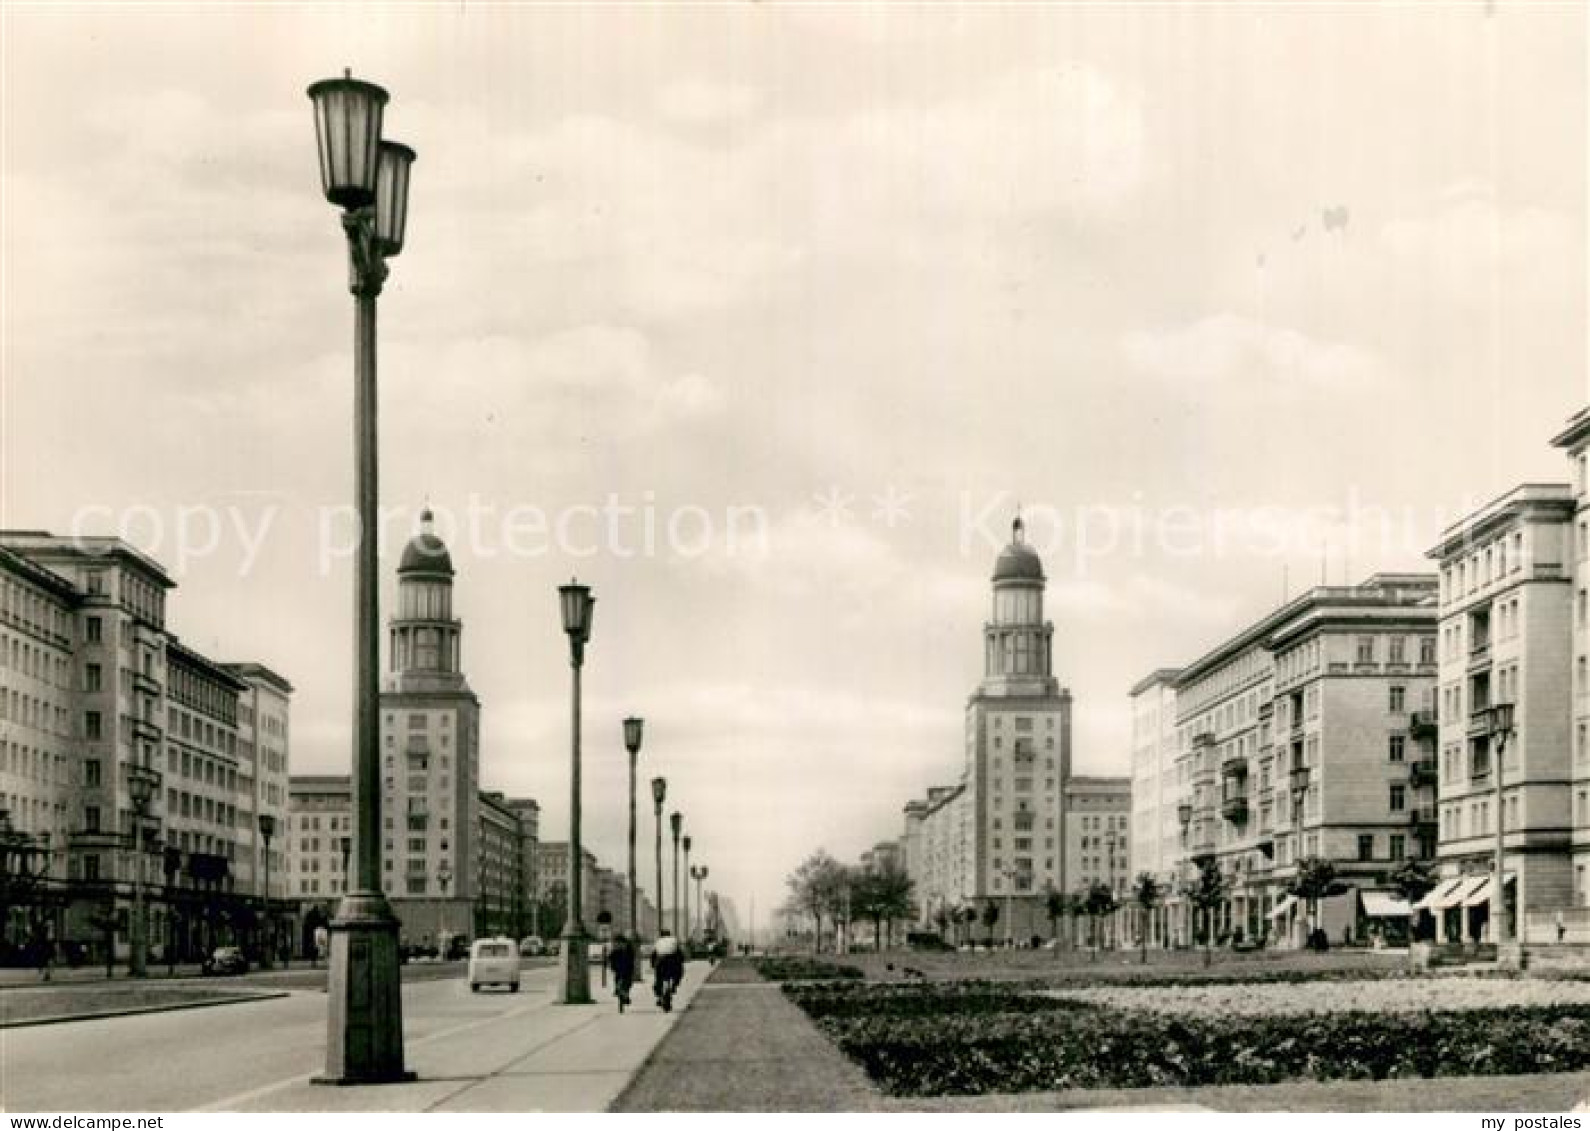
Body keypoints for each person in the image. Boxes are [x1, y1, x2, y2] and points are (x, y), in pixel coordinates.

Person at [651, 929, 683, 1012]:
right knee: (679, 973)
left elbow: (653, 955)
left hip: (661, 963)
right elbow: (680, 954)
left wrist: (653, 965)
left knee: (658, 979)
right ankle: (674, 986)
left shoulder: (658, 942)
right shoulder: (674, 941)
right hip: (673, 962)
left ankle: (659, 996)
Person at [607, 933, 637, 1013]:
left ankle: (617, 989)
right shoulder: (628, 947)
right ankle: (625, 994)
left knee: (617, 978)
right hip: (627, 968)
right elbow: (632, 957)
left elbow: (610, 957)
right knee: (628, 982)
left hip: (617, 967)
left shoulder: (615, 948)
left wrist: (609, 964)